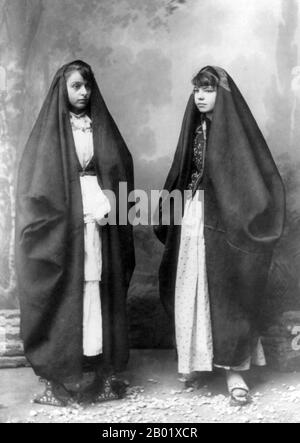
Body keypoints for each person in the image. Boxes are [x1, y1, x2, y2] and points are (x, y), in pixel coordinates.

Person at [154, 66, 285, 406]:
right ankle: (196, 361)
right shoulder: (194, 129)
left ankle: (233, 371)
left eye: (208, 89)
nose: (200, 95)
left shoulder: (238, 134)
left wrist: (239, 212)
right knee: (192, 284)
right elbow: (182, 174)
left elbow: (258, 180)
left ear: (222, 94)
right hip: (194, 217)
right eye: (197, 89)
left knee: (228, 292)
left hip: (229, 223)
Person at [15, 60, 135, 406]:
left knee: (97, 285)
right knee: (69, 286)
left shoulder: (100, 127)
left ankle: (97, 366)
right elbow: (37, 182)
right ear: (63, 90)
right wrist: (64, 210)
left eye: (87, 86)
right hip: (63, 223)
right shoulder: (51, 132)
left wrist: (108, 198)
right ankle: (63, 372)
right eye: (76, 87)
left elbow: (119, 165)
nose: (83, 93)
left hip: (99, 217)